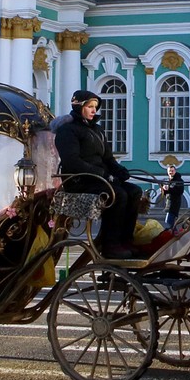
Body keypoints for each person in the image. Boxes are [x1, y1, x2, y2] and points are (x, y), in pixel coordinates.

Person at [54, 89, 142, 259]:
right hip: (79, 181)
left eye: (95, 106)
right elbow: (72, 161)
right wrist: (101, 173)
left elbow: (108, 158)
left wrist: (119, 170)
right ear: (79, 107)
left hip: (99, 179)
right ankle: (111, 245)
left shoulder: (98, 130)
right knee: (118, 195)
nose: (94, 110)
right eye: (90, 106)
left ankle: (126, 241)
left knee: (135, 192)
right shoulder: (67, 131)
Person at [160, 164, 185, 230]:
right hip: (169, 204)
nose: (171, 172)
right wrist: (163, 190)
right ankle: (174, 235)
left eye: (172, 171)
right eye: (169, 171)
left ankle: (173, 236)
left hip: (174, 204)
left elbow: (179, 191)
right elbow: (168, 193)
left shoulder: (179, 180)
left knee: (168, 223)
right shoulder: (169, 181)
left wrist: (168, 189)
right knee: (170, 224)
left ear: (175, 171)